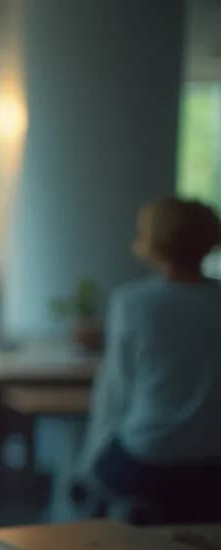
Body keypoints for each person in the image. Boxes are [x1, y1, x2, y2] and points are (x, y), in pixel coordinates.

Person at [82, 197, 221, 523]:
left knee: (98, 475)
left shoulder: (134, 303)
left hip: (150, 460)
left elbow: (116, 393)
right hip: (215, 465)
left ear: (154, 242)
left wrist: (88, 463)